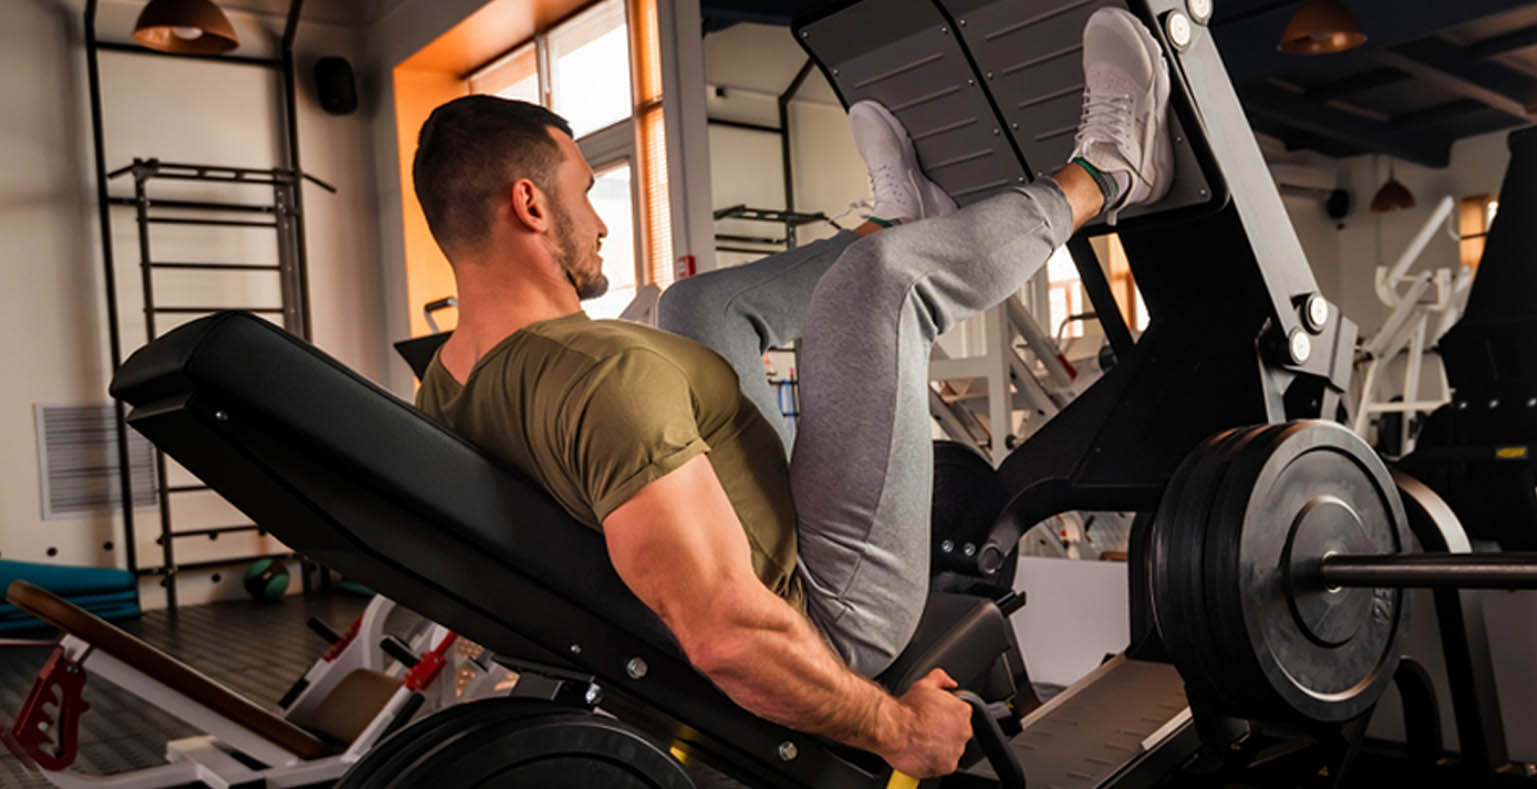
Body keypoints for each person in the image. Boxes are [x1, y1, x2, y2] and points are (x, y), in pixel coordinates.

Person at [407, 7, 1172, 778]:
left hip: (752, 544)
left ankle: (899, 219)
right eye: (583, 191)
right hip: (828, 613)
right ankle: (1110, 173)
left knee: (697, 307)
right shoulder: (597, 379)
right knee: (882, 287)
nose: (599, 223)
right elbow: (729, 634)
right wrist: (896, 730)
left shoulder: (446, 386)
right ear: (531, 206)